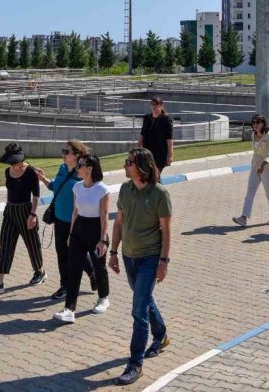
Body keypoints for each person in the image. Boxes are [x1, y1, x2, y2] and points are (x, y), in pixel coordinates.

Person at [109, 148, 173, 386]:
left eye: (129, 162)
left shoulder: (159, 194)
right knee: (143, 299)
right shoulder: (125, 189)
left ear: (142, 167)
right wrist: (113, 252)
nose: (125, 166)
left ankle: (135, 364)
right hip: (129, 257)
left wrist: (163, 261)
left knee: (138, 310)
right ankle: (161, 335)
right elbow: (118, 223)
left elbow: (166, 231)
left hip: (150, 258)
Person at [53, 154, 111, 323]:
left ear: (90, 168)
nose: (76, 168)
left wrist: (103, 240)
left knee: (99, 267)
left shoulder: (102, 189)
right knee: (74, 269)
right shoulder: (77, 187)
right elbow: (75, 212)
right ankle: (69, 309)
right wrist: (71, 234)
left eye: (80, 166)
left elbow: (104, 216)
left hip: (96, 230)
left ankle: (103, 298)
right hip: (79, 229)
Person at [36, 139, 96, 300]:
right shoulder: (62, 168)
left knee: (77, 253)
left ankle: (93, 274)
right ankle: (65, 285)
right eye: (63, 151)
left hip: (76, 220)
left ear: (77, 155)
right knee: (61, 253)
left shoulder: (82, 173)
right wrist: (43, 179)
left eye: (66, 152)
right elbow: (55, 186)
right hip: (59, 219)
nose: (63, 154)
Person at [0, 143, 45, 294]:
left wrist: (33, 214)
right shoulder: (7, 171)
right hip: (10, 211)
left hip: (26, 211)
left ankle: (40, 271)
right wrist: (8, 206)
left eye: (14, 161)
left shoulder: (30, 172)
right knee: (5, 245)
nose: (12, 165)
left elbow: (36, 195)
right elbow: (9, 191)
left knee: (32, 244)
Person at [232, 114, 269, 227]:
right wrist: (257, 167)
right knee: (250, 193)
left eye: (258, 122)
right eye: (253, 122)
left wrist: (262, 166)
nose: (255, 125)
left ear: (263, 123)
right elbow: (256, 152)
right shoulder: (253, 135)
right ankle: (244, 218)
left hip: (267, 169)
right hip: (255, 168)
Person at [138, 96, 174, 174]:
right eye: (152, 104)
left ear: (161, 105)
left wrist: (170, 155)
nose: (153, 106)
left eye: (156, 104)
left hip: (160, 154)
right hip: (147, 153)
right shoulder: (147, 118)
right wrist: (137, 148)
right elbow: (142, 134)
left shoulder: (166, 120)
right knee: (150, 175)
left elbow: (169, 138)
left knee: (154, 175)